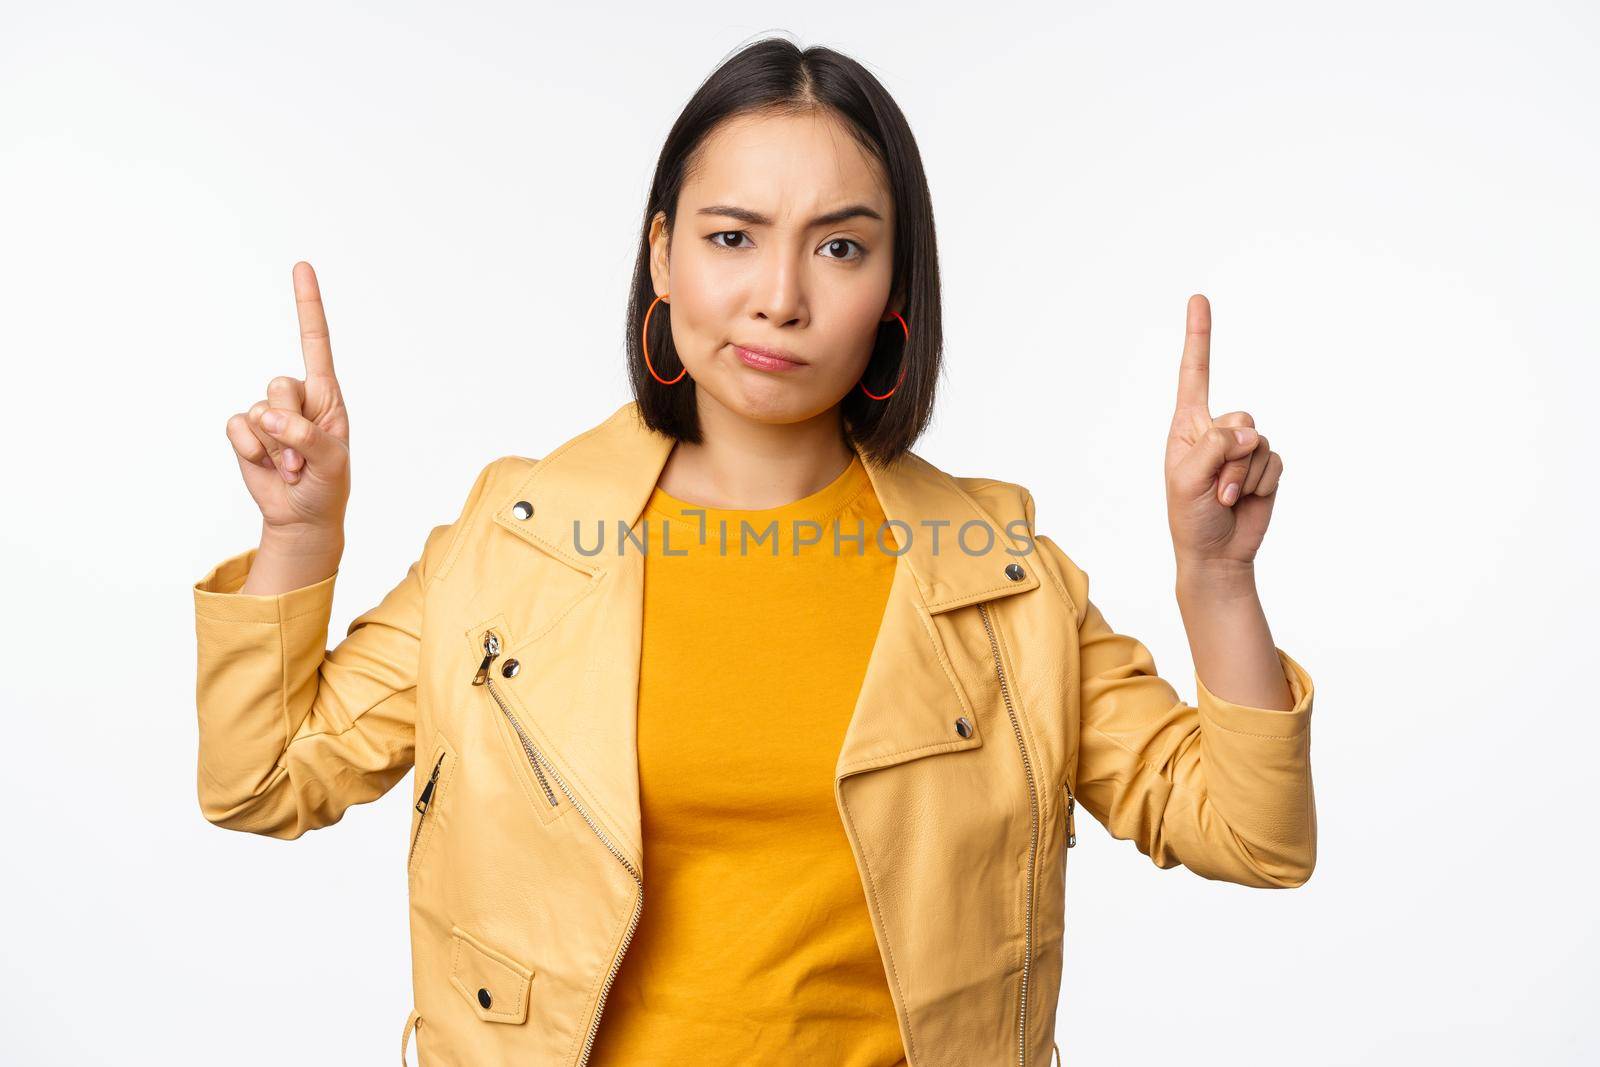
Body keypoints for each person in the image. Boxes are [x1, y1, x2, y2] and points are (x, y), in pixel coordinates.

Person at [192, 37, 1315, 1067]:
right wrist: (300, 533)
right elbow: (261, 778)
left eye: (838, 246)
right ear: (664, 255)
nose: (780, 298)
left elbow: (1249, 835)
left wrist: (1216, 578)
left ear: (893, 288)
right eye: (732, 237)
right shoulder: (512, 542)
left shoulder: (996, 573)